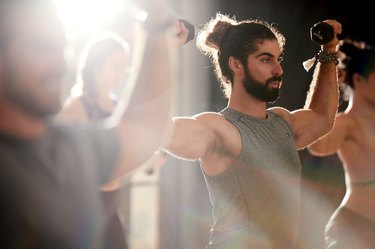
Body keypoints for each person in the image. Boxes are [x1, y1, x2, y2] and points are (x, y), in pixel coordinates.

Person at [0, 0, 180, 248]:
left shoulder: (72, 145)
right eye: (42, 47)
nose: (60, 65)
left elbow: (145, 129)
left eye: (62, 49)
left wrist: (156, 21)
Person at [162, 13, 342, 249]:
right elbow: (157, 131)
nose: (278, 69)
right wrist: (161, 49)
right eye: (266, 60)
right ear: (236, 64)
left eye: (278, 59)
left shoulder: (283, 123)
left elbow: (322, 117)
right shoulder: (219, 130)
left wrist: (329, 50)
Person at [58, 26, 189, 249]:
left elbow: (147, 128)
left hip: (111, 204)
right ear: (96, 66)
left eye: (124, 67)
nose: (120, 73)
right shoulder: (77, 108)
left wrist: (149, 158)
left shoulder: (118, 106)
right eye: (115, 66)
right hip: (81, 208)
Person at [308, 39, 375, 249]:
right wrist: (328, 83)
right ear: (359, 80)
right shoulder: (347, 123)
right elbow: (316, 143)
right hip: (354, 229)